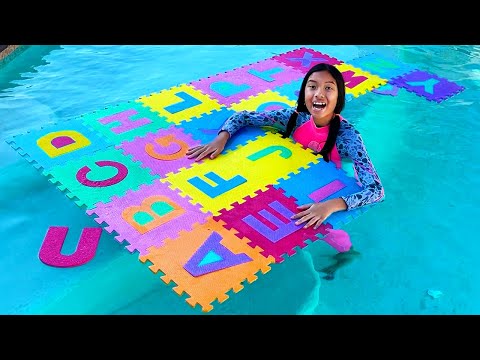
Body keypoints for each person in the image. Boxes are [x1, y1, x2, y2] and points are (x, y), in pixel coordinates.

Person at [186, 63, 384, 232]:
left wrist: (331, 205)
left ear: (339, 97)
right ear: (304, 92)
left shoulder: (349, 138)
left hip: (334, 174)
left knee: (335, 237)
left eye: (328, 88)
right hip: (295, 176)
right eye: (312, 86)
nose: (319, 94)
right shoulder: (295, 118)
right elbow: (243, 116)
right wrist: (221, 138)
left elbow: (376, 191)